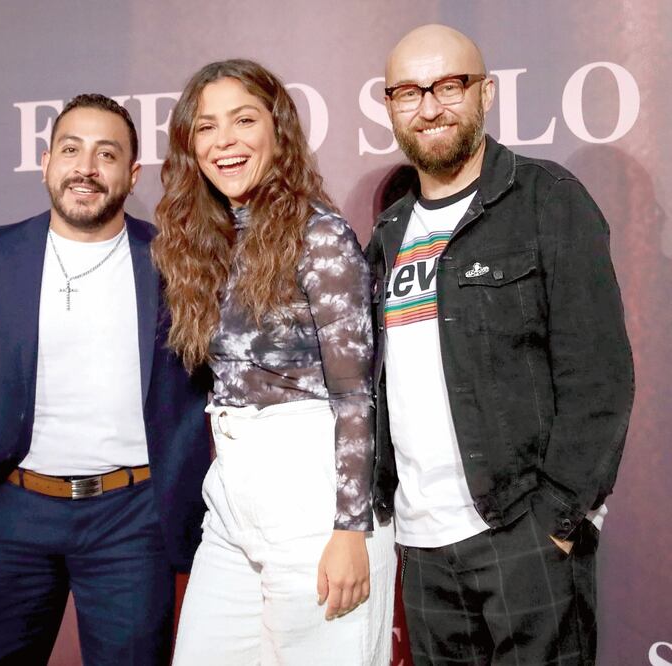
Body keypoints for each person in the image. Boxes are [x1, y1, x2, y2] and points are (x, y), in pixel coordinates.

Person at [367, 24, 635, 666]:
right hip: (422, 544)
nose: (428, 107)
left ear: (485, 93)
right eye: (409, 92)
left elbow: (598, 377)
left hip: (522, 532)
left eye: (448, 85)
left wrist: (556, 522)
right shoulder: (388, 231)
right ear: (390, 107)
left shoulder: (548, 200)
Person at [0, 93, 210, 665]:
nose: (86, 167)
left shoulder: (172, 261)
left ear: (131, 175)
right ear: (46, 161)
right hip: (12, 510)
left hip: (131, 520)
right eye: (71, 149)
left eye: (106, 154)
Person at [152, 59, 396, 665]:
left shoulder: (320, 236)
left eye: (243, 120)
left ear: (278, 130)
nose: (224, 141)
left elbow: (356, 393)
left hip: (315, 496)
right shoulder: (206, 243)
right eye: (206, 127)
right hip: (233, 495)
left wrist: (350, 529)